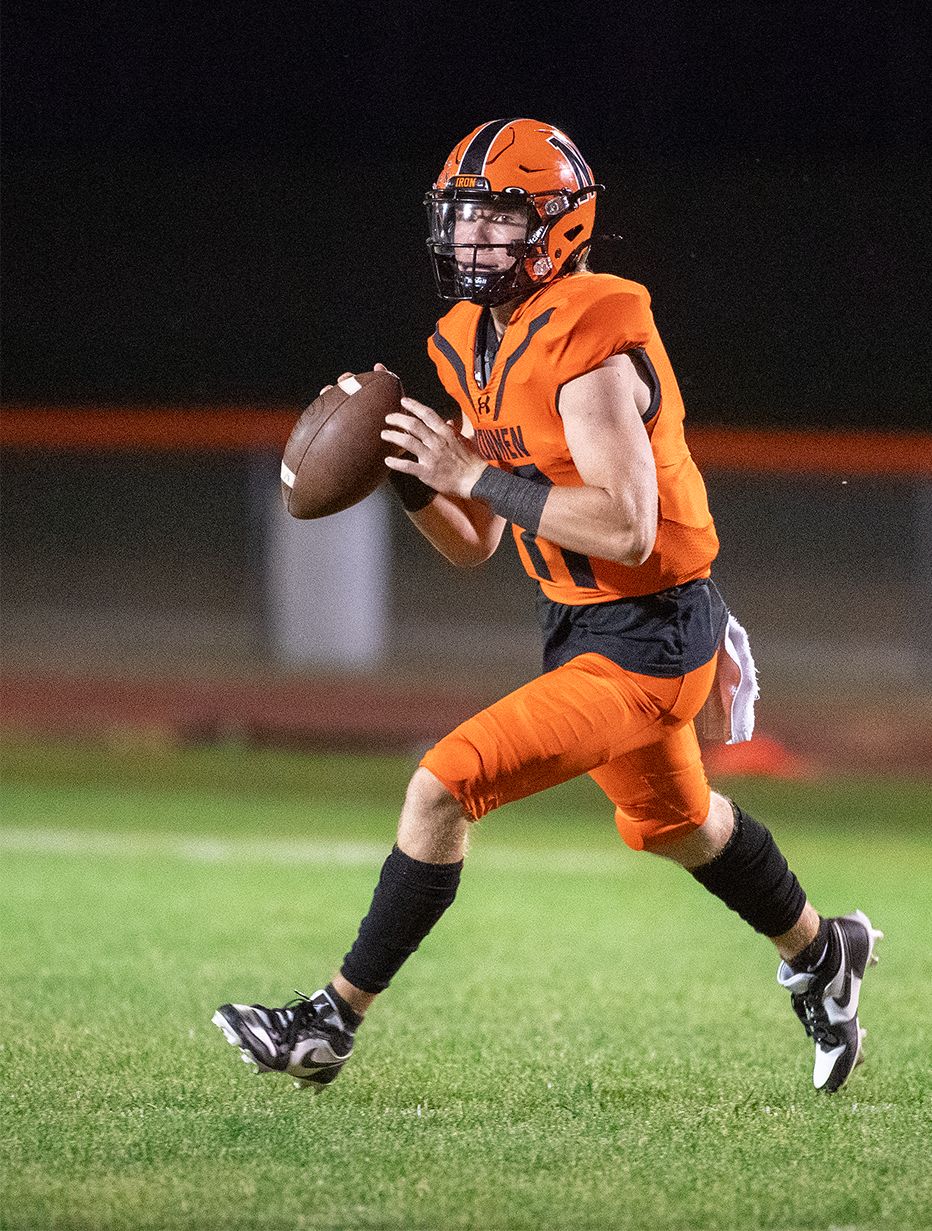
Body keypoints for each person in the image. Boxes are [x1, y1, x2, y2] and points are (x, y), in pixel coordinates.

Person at [213, 118, 881, 1096]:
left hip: (650, 634)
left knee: (441, 786)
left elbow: (623, 526)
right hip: (581, 623)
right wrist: (412, 476)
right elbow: (475, 543)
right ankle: (826, 952)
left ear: (554, 228)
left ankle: (329, 1019)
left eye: (495, 217)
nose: (471, 237)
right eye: (463, 216)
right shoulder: (465, 342)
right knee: (673, 820)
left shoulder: (590, 337)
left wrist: (472, 469)